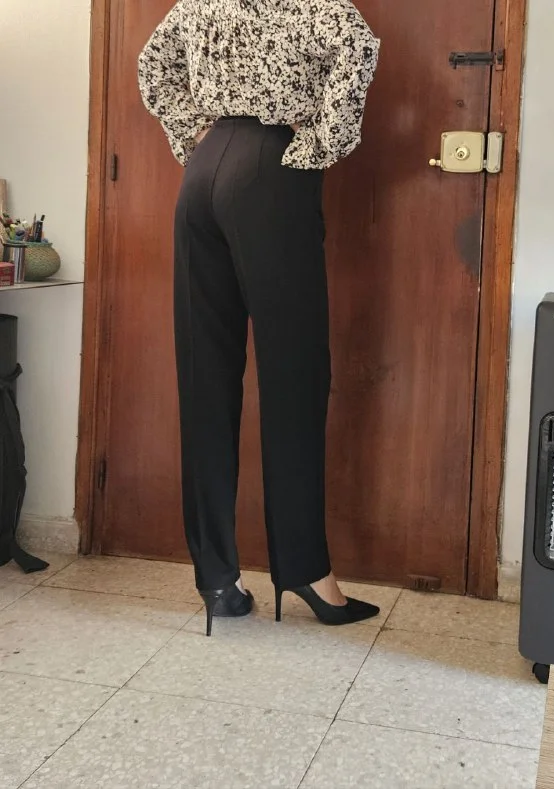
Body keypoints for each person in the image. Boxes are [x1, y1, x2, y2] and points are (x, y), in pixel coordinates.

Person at [137, 0, 380, 636]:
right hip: (271, 169)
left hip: (202, 175)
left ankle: (218, 577)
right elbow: (359, 50)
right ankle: (305, 570)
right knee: (294, 375)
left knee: (205, 376)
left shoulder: (200, 4)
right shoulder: (318, 7)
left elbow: (152, 66)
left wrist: (193, 132)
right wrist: (316, 144)